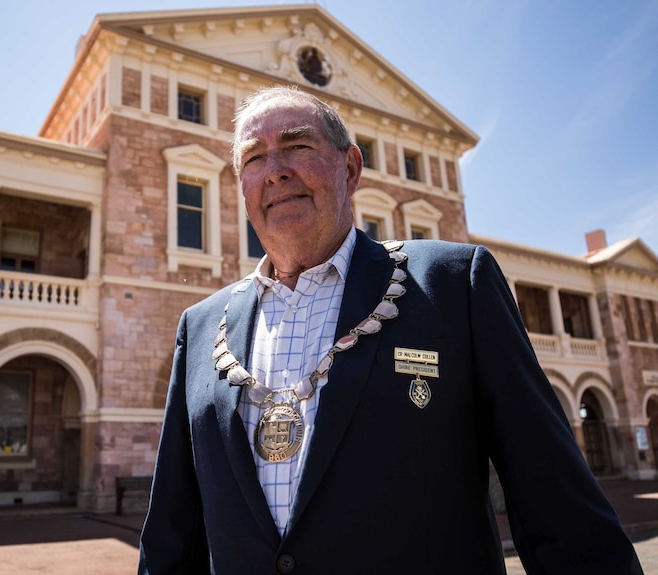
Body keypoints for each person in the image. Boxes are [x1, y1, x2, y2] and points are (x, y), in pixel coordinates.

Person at [138, 85, 643, 574]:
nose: (275, 171)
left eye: (297, 145)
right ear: (242, 187)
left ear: (351, 167)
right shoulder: (202, 327)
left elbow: (556, 502)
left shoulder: (451, 286)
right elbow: (171, 536)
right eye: (253, 159)